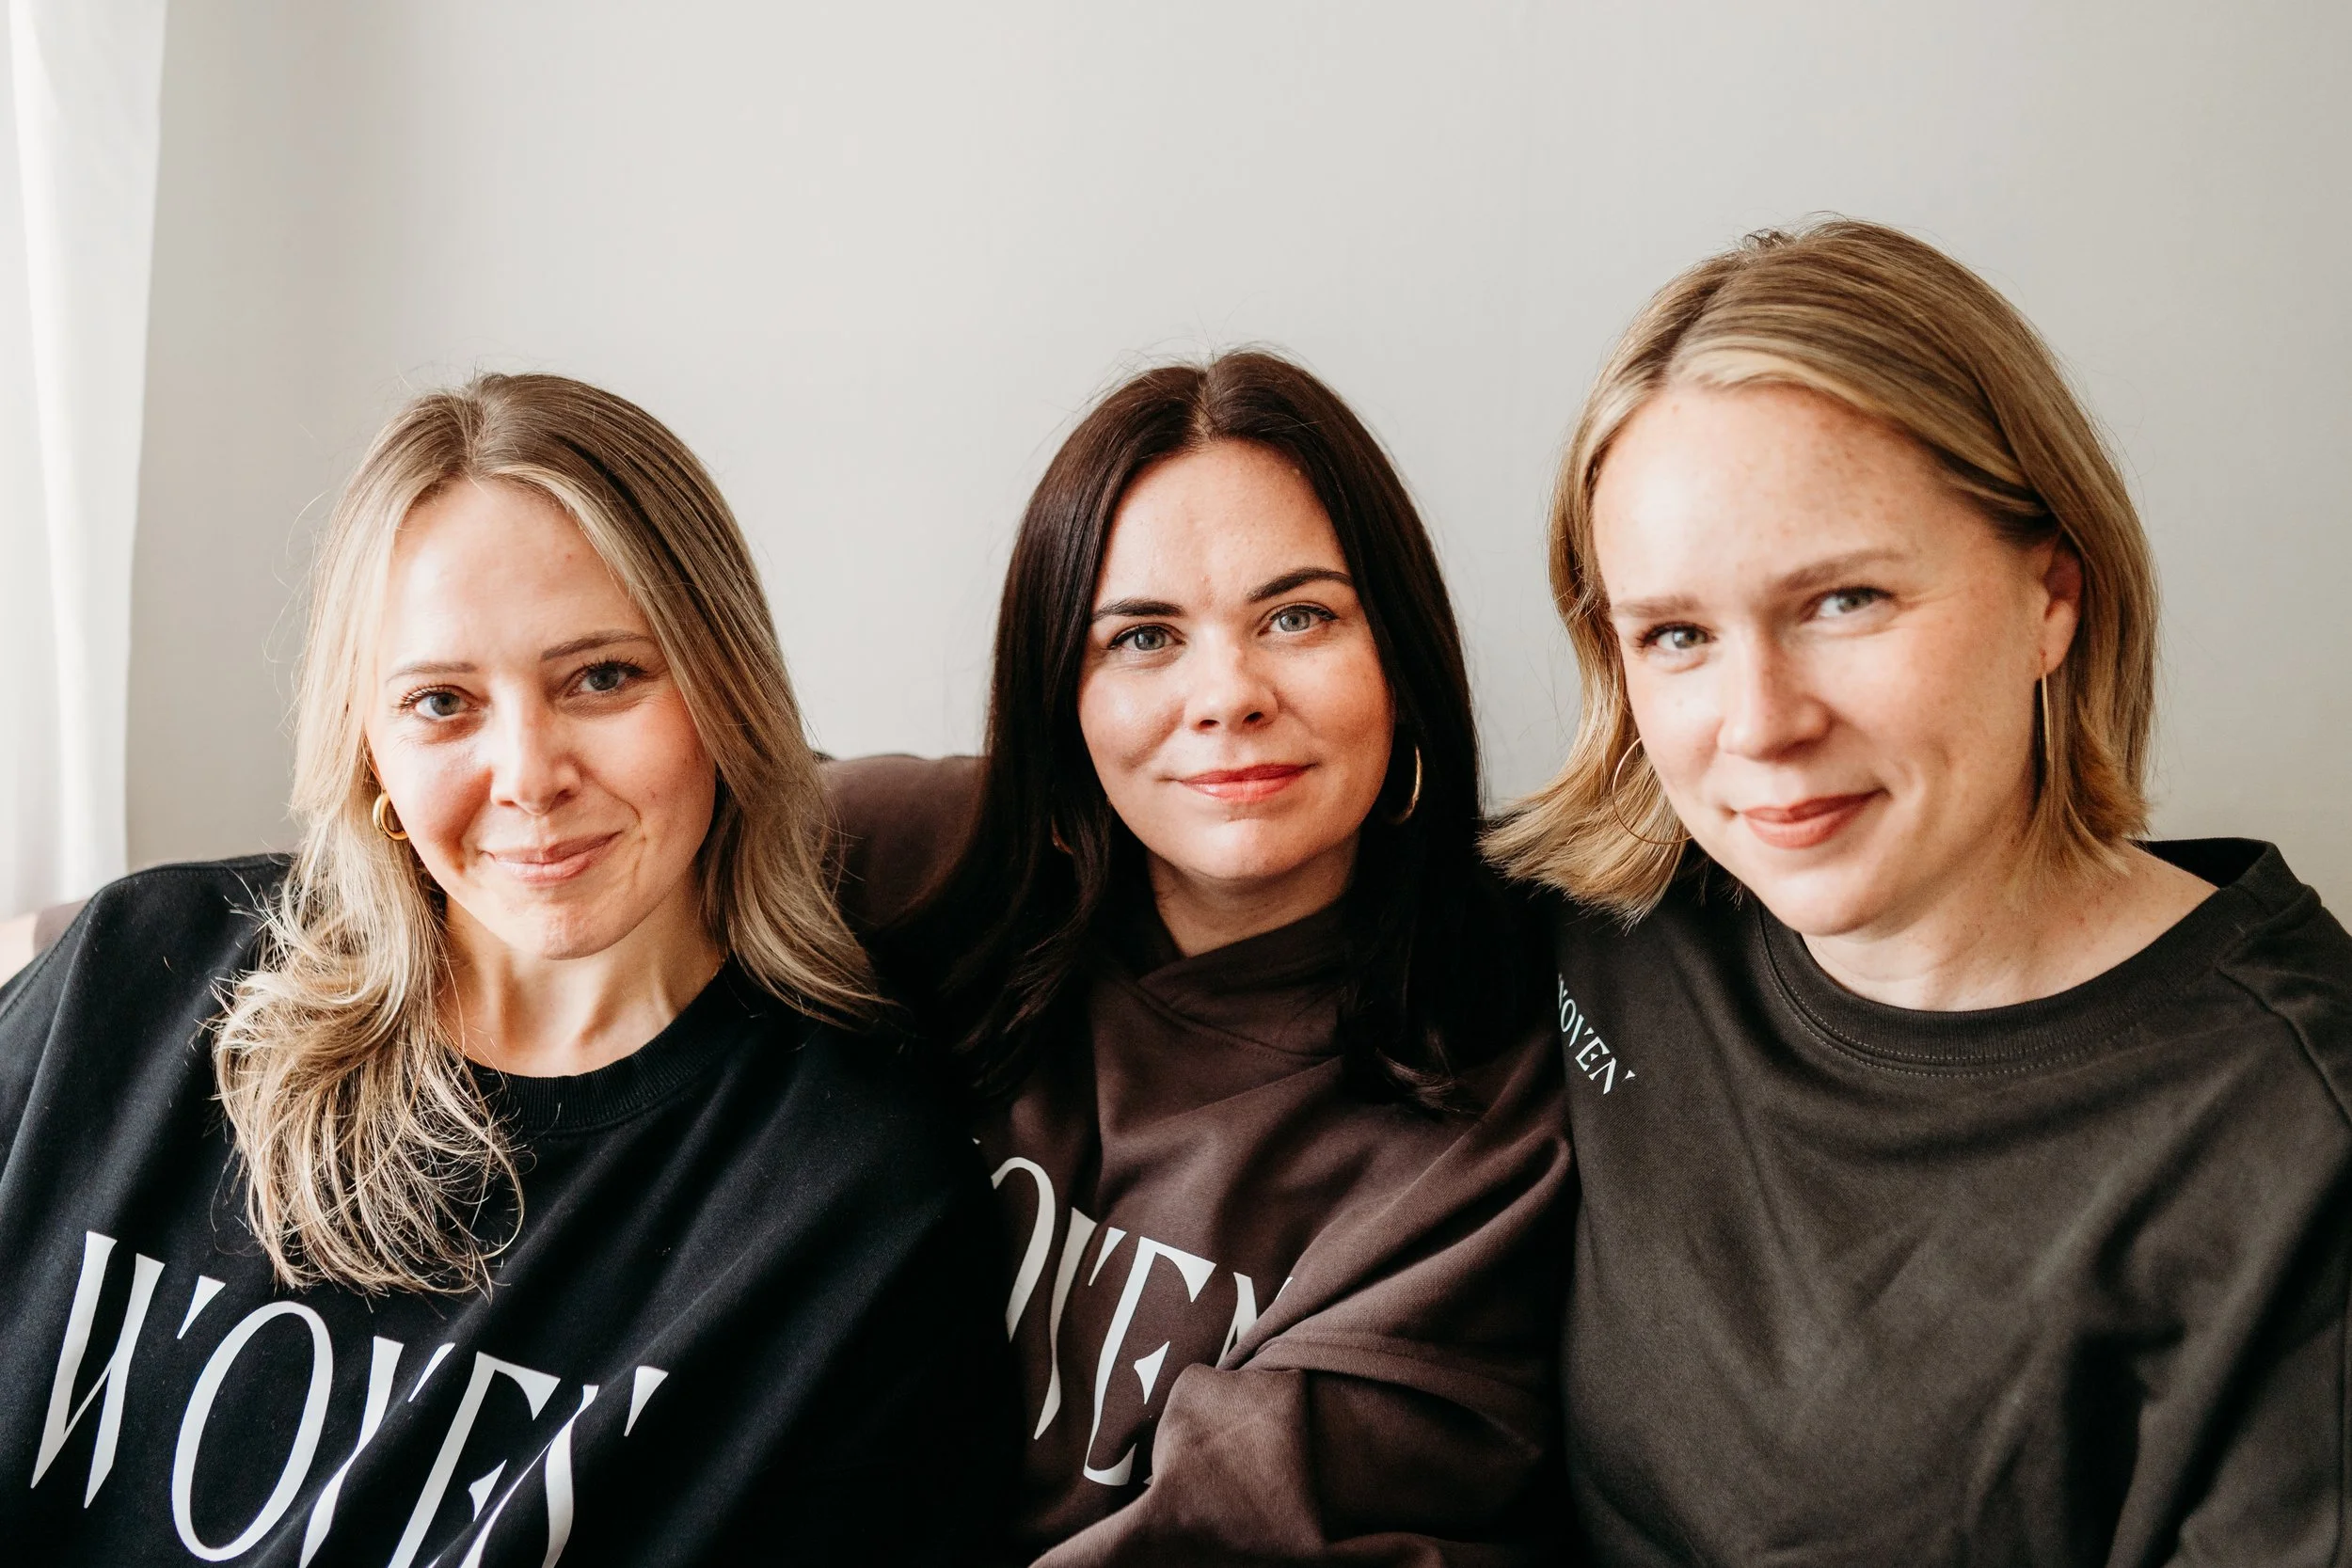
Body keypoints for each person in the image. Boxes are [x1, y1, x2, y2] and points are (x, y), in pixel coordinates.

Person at [0, 373, 1014, 1564]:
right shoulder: (137, 971)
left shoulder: (850, 1206)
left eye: (603, 676)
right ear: (370, 746)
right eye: (442, 701)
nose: (529, 775)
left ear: (727, 686)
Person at [1487, 218, 2352, 1564]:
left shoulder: (2294, 1143)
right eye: (1677, 633)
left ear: (2051, 595)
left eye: (1843, 600)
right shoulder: (1613, 920)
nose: (1759, 723)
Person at [827, 350, 1571, 1564]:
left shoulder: (1502, 1076)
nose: (1227, 694)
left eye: (1298, 616)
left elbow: (1242, 1522)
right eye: (1143, 636)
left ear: (1400, 653)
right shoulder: (912, 863)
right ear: (1060, 688)